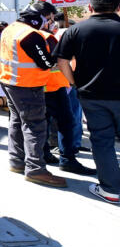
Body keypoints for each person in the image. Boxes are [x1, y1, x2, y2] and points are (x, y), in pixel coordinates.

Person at [54, 0, 120, 204]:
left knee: (102, 141)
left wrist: (74, 83)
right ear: (118, 7)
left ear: (91, 7)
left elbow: (62, 61)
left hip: (92, 95)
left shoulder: (75, 30)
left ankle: (111, 189)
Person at [0, 1, 67, 188]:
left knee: (16, 121)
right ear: (39, 17)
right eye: (49, 19)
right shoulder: (30, 35)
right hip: (27, 85)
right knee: (35, 126)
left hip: (9, 82)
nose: (50, 23)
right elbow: (45, 63)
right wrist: (59, 54)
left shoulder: (10, 29)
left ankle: (17, 161)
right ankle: (36, 169)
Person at [38, 27, 96, 176]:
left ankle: (46, 153)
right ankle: (67, 159)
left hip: (42, 87)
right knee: (66, 122)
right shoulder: (48, 38)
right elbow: (60, 60)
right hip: (54, 86)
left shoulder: (34, 36)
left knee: (45, 123)